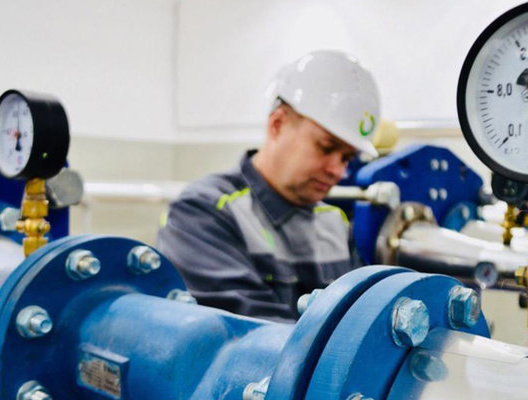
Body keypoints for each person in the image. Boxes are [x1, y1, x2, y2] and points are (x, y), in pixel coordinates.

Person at [157, 50, 381, 321]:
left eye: (346, 158)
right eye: (326, 147)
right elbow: (247, 336)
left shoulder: (335, 222)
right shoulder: (203, 212)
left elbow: (359, 318)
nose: (337, 170)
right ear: (277, 124)